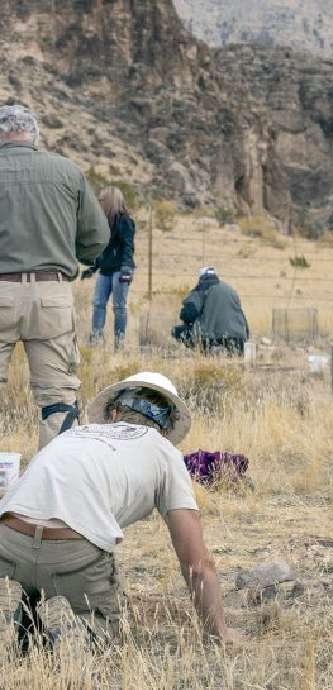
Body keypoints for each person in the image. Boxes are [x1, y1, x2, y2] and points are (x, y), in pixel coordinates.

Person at [0, 372, 240, 651]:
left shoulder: (74, 433)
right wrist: (218, 633)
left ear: (113, 412)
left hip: (7, 539)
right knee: (107, 642)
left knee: (30, 595)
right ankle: (75, 632)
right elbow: (197, 566)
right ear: (165, 427)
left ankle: (20, 617)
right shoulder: (163, 452)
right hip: (73, 551)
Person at [0, 104, 109, 448]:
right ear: (34, 135)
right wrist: (66, 254)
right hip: (52, 294)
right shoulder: (65, 171)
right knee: (57, 396)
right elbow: (96, 238)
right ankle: (53, 488)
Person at [84, 187, 137, 348]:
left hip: (121, 268)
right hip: (106, 269)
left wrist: (126, 267)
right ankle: (96, 338)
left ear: (110, 200)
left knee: (119, 306)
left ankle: (119, 341)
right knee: (98, 303)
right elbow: (102, 250)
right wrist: (92, 269)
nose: (99, 202)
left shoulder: (125, 221)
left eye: (102, 199)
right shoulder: (102, 221)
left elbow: (128, 246)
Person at [172, 267, 249, 355]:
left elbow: (188, 314)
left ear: (201, 277)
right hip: (238, 338)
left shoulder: (202, 288)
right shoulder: (231, 290)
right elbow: (242, 316)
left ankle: (202, 354)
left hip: (211, 338)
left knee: (177, 331)